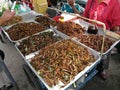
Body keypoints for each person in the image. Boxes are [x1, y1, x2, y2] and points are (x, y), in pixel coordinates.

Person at [82, 0, 120, 79]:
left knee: (103, 57)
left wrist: (116, 33)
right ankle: (86, 70)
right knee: (87, 55)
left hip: (103, 38)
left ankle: (101, 69)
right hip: (89, 35)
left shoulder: (115, 2)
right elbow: (85, 16)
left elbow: (116, 26)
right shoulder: (91, 1)